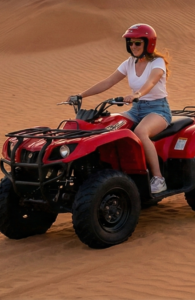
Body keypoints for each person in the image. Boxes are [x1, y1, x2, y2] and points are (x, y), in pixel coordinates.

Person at [72, 24, 171, 194]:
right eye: (131, 43)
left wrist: (137, 94)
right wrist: (81, 95)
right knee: (109, 126)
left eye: (137, 43)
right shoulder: (129, 63)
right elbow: (108, 82)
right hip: (136, 110)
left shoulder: (157, 62)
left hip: (158, 110)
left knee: (140, 132)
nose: (133, 46)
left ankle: (158, 179)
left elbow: (152, 81)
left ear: (148, 44)